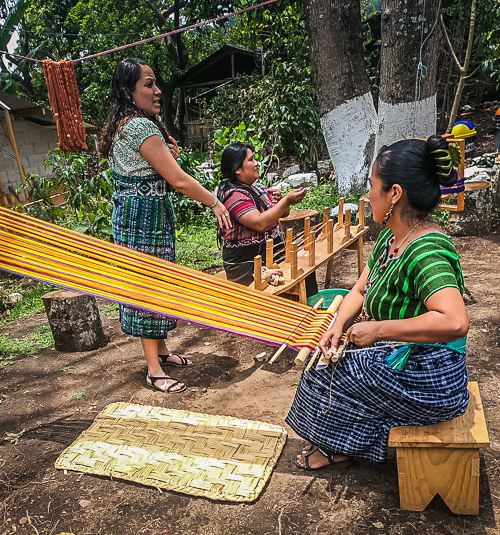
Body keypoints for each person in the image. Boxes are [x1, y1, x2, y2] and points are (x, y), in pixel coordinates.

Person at [286, 135, 470, 470]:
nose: (366, 195)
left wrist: (379, 331)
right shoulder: (391, 236)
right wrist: (337, 325)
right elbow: (359, 291)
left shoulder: (426, 250)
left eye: (373, 185)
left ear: (395, 194)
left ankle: (346, 445)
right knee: (323, 357)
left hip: (432, 377)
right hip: (407, 359)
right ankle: (351, 439)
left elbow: (455, 321)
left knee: (325, 374)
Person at [99, 57, 232, 394]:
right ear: (129, 91)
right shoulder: (139, 127)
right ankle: (154, 369)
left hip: (139, 212)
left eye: (155, 83)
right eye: (148, 84)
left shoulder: (130, 126)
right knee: (148, 286)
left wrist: (169, 152)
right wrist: (215, 202)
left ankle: (161, 350)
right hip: (143, 216)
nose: (157, 91)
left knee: (157, 280)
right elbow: (179, 180)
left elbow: (156, 168)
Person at [216, 142, 309, 287]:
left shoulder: (257, 187)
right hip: (246, 264)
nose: (257, 163)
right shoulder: (233, 196)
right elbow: (260, 223)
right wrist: (286, 201)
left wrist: (282, 202)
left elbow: (283, 214)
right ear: (237, 169)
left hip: (269, 254)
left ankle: (308, 309)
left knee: (305, 274)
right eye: (251, 160)